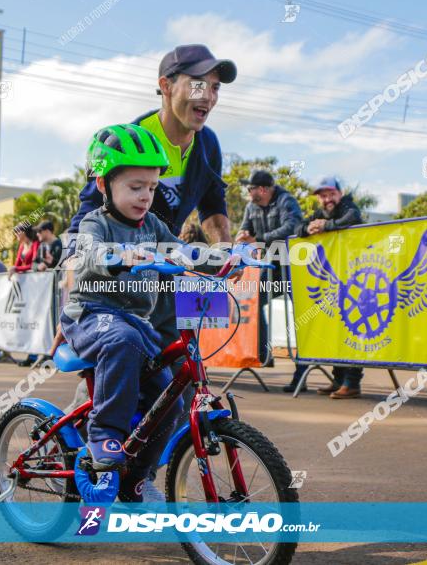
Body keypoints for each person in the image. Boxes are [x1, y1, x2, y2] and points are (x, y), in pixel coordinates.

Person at [64, 45, 237, 502]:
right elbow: (87, 217)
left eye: (216, 88)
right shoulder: (131, 140)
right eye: (200, 84)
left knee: (182, 387)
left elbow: (214, 210)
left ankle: (134, 479)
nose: (210, 96)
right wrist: (82, 266)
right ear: (167, 86)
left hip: (165, 284)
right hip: (114, 288)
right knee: (126, 353)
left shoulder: (209, 143)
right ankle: (103, 441)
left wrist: (225, 257)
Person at [295, 176, 365, 398]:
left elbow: (352, 219)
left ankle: (352, 383)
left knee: (353, 328)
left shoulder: (348, 207)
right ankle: (338, 379)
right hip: (335, 281)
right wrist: (310, 227)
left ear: (340, 193)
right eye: (323, 196)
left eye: (331, 194)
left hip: (357, 279)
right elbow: (298, 228)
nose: (327, 199)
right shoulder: (321, 212)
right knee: (337, 327)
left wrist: (327, 226)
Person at [235, 169, 303, 374]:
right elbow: (244, 230)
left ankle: (302, 367)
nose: (248, 192)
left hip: (293, 267)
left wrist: (259, 239)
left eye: (250, 188)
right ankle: (264, 354)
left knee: (301, 314)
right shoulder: (251, 207)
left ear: (262, 190)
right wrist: (242, 236)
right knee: (255, 304)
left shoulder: (286, 201)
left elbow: (292, 227)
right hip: (271, 268)